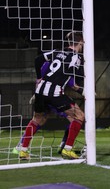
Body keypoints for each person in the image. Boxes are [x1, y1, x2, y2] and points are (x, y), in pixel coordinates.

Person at [19, 31, 86, 160]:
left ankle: (23, 150)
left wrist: (39, 77)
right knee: (79, 116)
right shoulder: (76, 58)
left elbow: (38, 59)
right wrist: (83, 90)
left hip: (40, 91)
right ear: (80, 42)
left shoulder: (56, 52)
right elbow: (76, 79)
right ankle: (67, 149)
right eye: (82, 43)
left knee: (37, 119)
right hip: (54, 93)